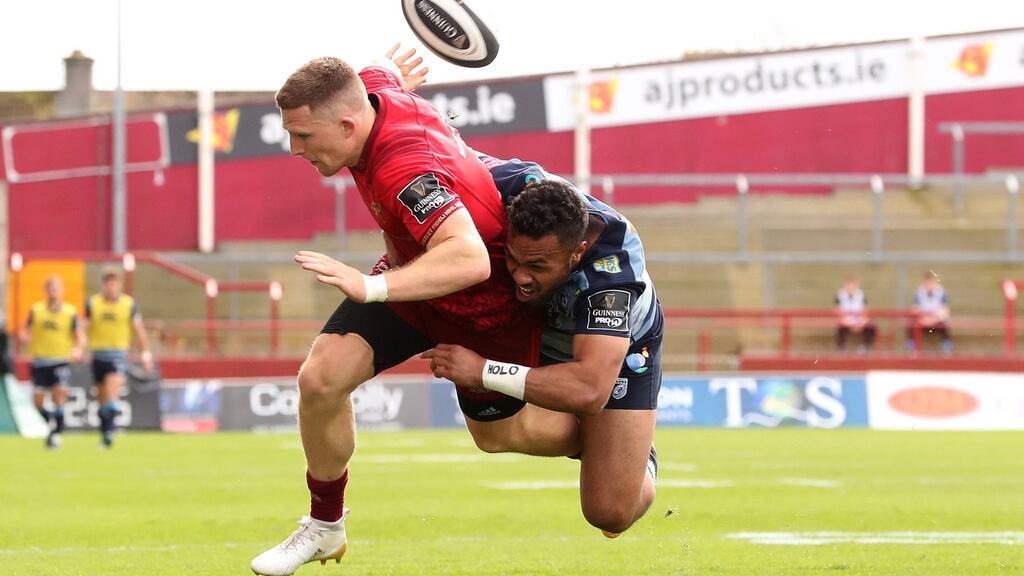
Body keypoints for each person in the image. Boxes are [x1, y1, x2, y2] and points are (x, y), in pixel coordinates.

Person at [250, 47, 575, 576]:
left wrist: (372, 287)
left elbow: (467, 257)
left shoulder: (406, 167)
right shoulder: (373, 95)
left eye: (304, 136)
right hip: (415, 278)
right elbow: (374, 79)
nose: (294, 148)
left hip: (479, 306)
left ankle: (608, 438)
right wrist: (394, 71)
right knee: (321, 379)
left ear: (351, 124)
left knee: (498, 438)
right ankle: (325, 526)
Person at [423, 158, 662, 538]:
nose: (520, 275)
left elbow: (588, 389)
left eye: (536, 265)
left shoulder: (611, 276)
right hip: (537, 325)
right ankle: (610, 447)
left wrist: (483, 370)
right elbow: (441, 150)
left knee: (610, 513)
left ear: (577, 251)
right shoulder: (503, 186)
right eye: (513, 258)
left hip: (615, 350)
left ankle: (635, 459)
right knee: (491, 435)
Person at [82, 267, 153, 448]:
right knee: (102, 398)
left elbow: (139, 330)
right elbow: (85, 328)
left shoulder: (128, 305)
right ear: (103, 285)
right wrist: (79, 347)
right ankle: (105, 432)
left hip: (117, 355)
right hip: (98, 356)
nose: (111, 288)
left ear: (119, 285)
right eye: (108, 284)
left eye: (114, 284)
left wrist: (145, 355)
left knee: (112, 395)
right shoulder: (93, 303)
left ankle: (108, 435)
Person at [17, 275, 84, 449]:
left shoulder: (70, 312)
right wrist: (24, 337)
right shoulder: (37, 310)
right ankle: (52, 424)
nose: (53, 292)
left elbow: (79, 337)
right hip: (40, 361)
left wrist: (77, 349)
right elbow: (24, 330)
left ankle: (56, 434)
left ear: (62, 291)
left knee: (59, 395)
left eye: (56, 289)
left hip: (60, 360)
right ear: (46, 291)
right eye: (50, 289)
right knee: (37, 402)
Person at [908, 270, 952, 354]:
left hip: (937, 320)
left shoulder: (941, 292)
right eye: (927, 282)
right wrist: (923, 319)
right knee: (911, 327)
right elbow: (914, 309)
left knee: (945, 327)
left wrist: (934, 320)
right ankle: (912, 351)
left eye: (931, 282)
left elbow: (945, 311)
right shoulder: (919, 292)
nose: (929, 285)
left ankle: (947, 351)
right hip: (922, 319)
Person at [834, 276, 876, 352]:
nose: (850, 287)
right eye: (848, 285)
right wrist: (847, 322)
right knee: (838, 327)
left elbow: (865, 310)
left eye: (852, 285)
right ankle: (841, 347)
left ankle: (865, 347)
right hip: (845, 321)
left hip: (859, 321)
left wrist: (862, 322)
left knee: (872, 326)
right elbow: (837, 311)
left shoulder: (861, 294)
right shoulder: (840, 295)